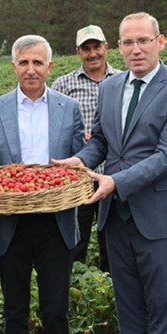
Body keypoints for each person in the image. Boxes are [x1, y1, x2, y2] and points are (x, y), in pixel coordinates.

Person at [58, 12, 167, 334]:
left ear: (160, 42)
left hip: (161, 217)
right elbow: (102, 142)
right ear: (117, 47)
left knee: (163, 304)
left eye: (143, 41)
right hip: (117, 216)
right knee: (129, 302)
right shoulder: (110, 87)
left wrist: (115, 182)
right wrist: (80, 159)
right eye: (128, 42)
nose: (136, 49)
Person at [0, 35, 84, 334]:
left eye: (38, 62)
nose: (31, 69)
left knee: (56, 304)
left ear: (49, 67)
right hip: (11, 220)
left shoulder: (70, 109)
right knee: (14, 304)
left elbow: (80, 157)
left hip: (56, 218)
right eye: (23, 62)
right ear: (14, 66)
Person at [52, 24, 116, 270]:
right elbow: (54, 126)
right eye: (86, 49)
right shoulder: (63, 85)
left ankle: (108, 287)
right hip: (78, 175)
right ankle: (74, 286)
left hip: (112, 173)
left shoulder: (122, 81)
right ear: (78, 51)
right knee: (75, 237)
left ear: (106, 48)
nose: (92, 54)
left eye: (97, 47)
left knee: (110, 237)